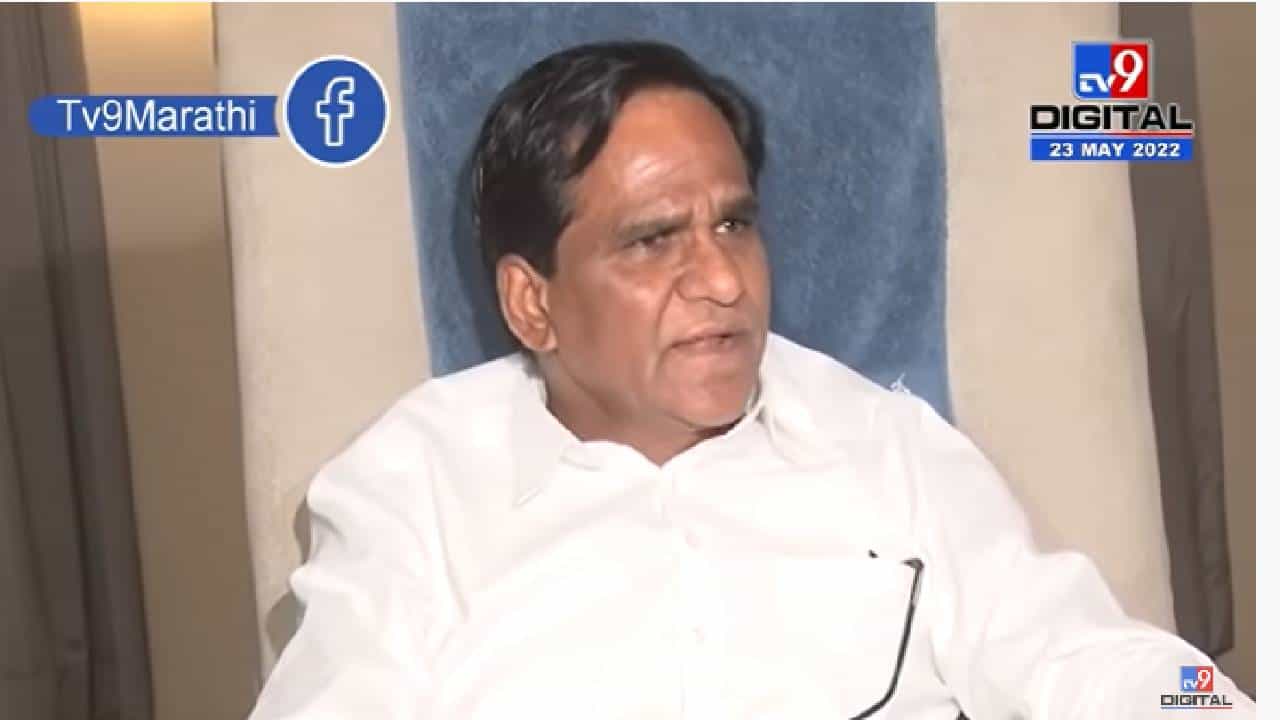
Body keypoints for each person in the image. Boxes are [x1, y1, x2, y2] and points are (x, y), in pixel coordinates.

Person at [248, 41, 1253, 719]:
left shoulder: (886, 447)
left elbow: (1085, 661)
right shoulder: (411, 491)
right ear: (532, 302)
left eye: (733, 223)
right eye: (652, 241)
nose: (725, 280)